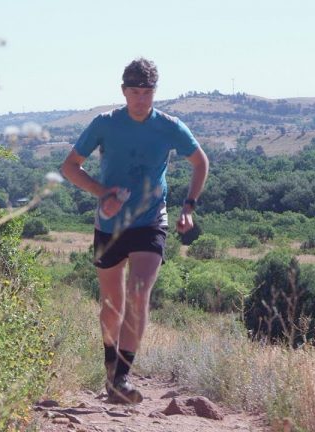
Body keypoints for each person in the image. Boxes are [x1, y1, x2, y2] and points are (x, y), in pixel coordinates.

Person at [60, 58, 209, 403]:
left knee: (139, 293)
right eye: (134, 92)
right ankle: (110, 372)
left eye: (147, 92)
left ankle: (123, 378)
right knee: (112, 305)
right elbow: (69, 167)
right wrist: (103, 194)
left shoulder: (170, 126)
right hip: (110, 224)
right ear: (123, 91)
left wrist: (189, 206)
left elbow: (200, 162)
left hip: (151, 220)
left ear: (155, 92)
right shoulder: (104, 124)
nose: (141, 99)